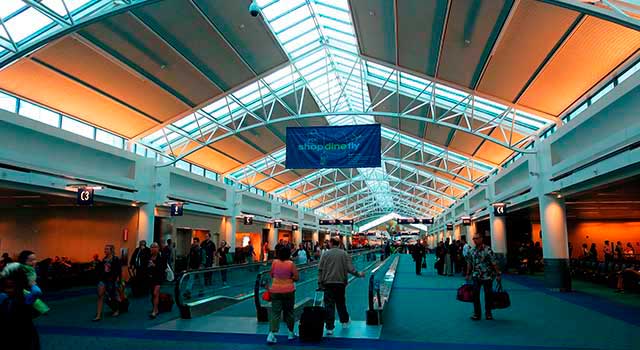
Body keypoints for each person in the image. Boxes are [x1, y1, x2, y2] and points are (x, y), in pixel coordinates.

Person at [317, 237, 365, 336]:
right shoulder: (344, 254)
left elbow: (320, 269)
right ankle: (344, 321)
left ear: (330, 243)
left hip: (328, 283)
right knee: (340, 303)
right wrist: (358, 274)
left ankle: (329, 327)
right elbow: (350, 268)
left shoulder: (325, 254)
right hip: (340, 283)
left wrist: (320, 283)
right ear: (339, 244)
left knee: (329, 305)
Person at [0, 262, 41, 349]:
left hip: (24, 332)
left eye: (11, 287)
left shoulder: (25, 298)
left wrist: (32, 282)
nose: (8, 290)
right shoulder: (3, 297)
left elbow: (37, 292)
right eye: (6, 287)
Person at [266, 247, 299, 344]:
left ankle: (271, 334)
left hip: (275, 290)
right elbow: (297, 277)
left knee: (275, 313)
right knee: (289, 312)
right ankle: (290, 333)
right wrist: (290, 278)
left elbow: (271, 274)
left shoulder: (274, 262)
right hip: (288, 291)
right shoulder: (291, 264)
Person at [466, 233, 501, 321]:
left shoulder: (488, 249)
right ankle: (477, 314)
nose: (474, 240)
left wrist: (498, 274)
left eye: (476, 238)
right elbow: (469, 263)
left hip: (487, 276)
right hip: (476, 276)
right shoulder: (472, 251)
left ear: (481, 239)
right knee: (475, 295)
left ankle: (488, 313)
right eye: (473, 238)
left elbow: (494, 263)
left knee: (488, 295)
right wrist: (467, 274)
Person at [93, 245, 121, 321]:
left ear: (111, 250)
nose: (105, 250)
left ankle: (117, 309)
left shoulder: (115, 259)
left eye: (107, 249)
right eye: (105, 249)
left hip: (112, 280)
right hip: (103, 279)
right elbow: (100, 270)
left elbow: (118, 271)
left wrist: (119, 280)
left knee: (113, 295)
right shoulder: (104, 260)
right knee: (100, 295)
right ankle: (98, 315)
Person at [17, 250, 49, 316]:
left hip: (27, 297)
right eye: (31, 260)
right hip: (20, 297)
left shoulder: (31, 270)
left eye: (35, 259)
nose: (34, 262)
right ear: (23, 262)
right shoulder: (21, 271)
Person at [147, 242, 167, 319]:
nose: (153, 249)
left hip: (158, 277)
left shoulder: (162, 257)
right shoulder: (149, 256)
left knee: (155, 293)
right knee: (153, 294)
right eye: (152, 247)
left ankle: (155, 311)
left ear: (158, 248)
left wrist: (154, 265)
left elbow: (163, 268)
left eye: (155, 247)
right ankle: (156, 307)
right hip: (150, 278)